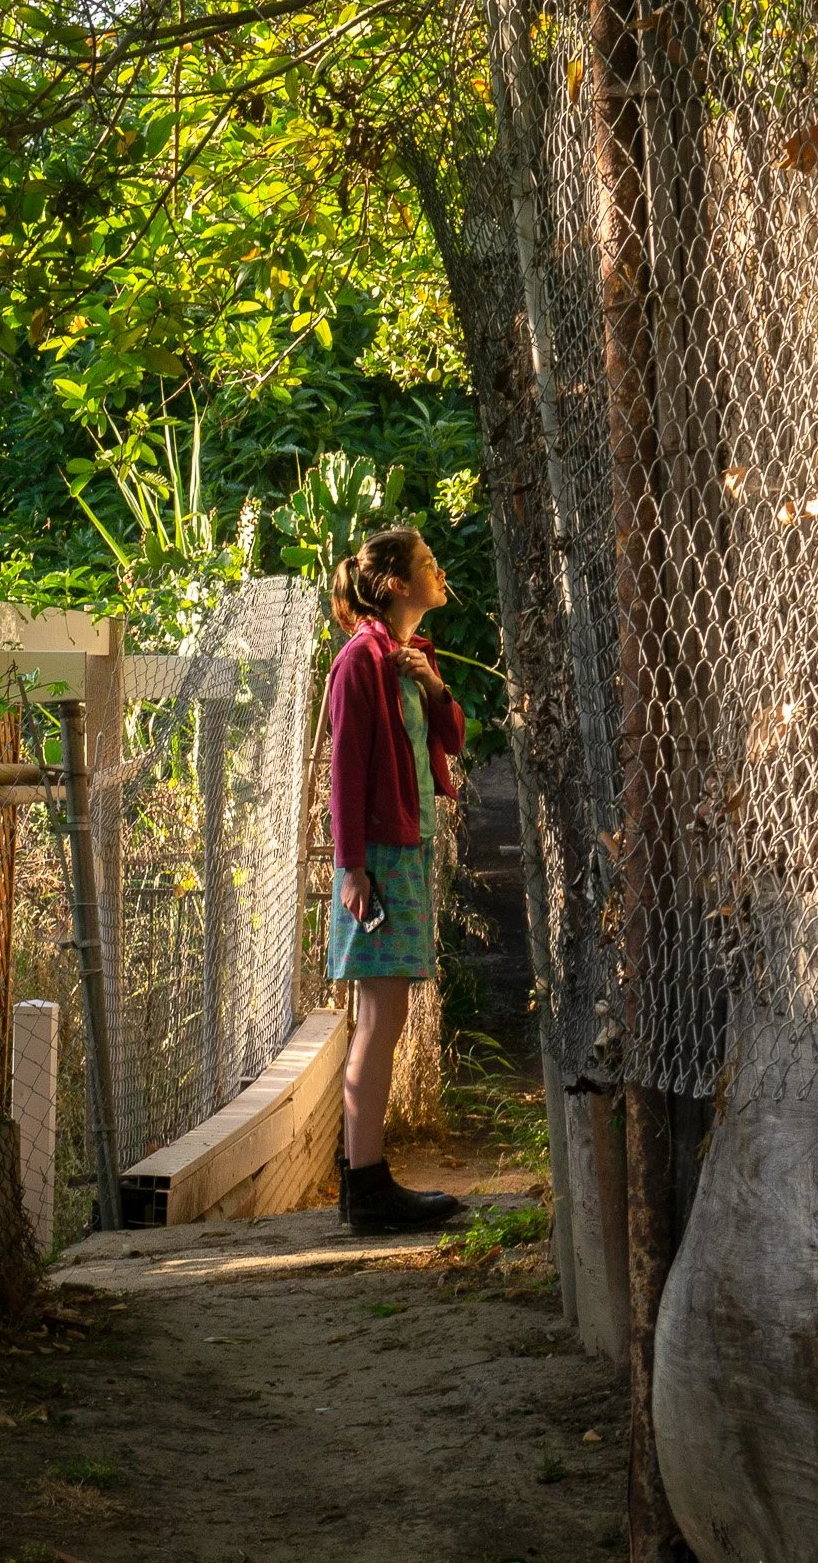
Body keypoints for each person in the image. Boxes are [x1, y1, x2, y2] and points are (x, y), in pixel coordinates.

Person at [327, 525, 467, 1235]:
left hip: (401, 853)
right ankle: (368, 1186)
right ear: (393, 585)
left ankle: (363, 1185)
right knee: (380, 1019)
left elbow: (453, 737)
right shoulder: (359, 660)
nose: (438, 572)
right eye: (427, 564)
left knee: (387, 1017)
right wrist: (350, 866)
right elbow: (344, 770)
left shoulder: (407, 658)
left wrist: (433, 683)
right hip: (376, 858)